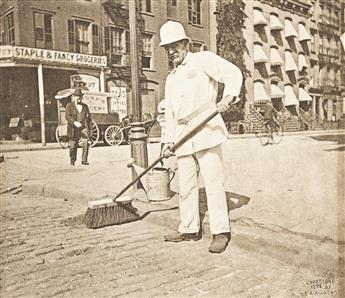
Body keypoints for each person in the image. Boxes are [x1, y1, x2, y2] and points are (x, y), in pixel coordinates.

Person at [159, 20, 243, 253]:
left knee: (213, 183)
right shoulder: (171, 77)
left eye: (175, 45)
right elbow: (170, 114)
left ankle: (220, 232)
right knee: (185, 185)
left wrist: (228, 97)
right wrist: (168, 141)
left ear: (186, 43)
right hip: (183, 134)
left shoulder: (203, 59)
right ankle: (188, 228)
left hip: (206, 128)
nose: (171, 51)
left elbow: (233, 73)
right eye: (167, 48)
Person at [65, 88, 92, 166]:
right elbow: (67, 116)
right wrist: (74, 122)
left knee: (86, 143)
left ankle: (84, 160)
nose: (78, 98)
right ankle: (72, 160)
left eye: (80, 96)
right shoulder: (69, 105)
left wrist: (89, 130)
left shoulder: (85, 106)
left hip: (83, 128)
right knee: (73, 146)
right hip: (73, 128)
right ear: (73, 97)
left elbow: (89, 118)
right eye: (76, 96)